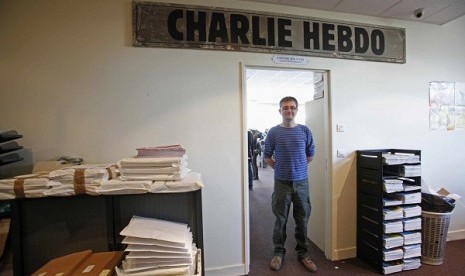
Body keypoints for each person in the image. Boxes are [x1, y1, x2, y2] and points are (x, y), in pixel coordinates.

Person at [264, 96, 317, 272]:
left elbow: (310, 155)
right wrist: (281, 168)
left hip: (301, 183)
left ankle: (303, 254)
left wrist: (298, 168)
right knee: (280, 219)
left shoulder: (304, 131)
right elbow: (267, 157)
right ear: (280, 111)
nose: (289, 111)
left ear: (296, 110)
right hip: (281, 183)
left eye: (292, 108)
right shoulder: (273, 132)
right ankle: (278, 253)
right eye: (285, 108)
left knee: (302, 219)